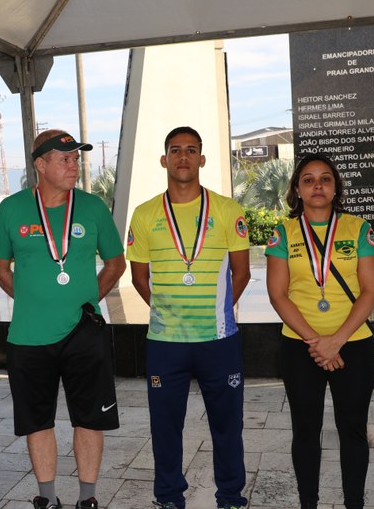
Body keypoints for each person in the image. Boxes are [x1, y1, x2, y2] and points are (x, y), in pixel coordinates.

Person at [0, 129, 125, 509]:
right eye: (65, 159)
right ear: (41, 164)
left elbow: (116, 264)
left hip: (84, 333)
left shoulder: (93, 207)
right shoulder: (12, 209)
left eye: (76, 159)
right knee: (37, 421)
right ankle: (47, 498)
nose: (74, 166)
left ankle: (88, 498)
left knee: (90, 419)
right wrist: (32, 300)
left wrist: (88, 302)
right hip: (29, 335)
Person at [127, 127, 251, 509]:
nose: (183, 156)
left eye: (191, 150)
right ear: (164, 159)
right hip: (165, 344)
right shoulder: (145, 214)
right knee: (165, 428)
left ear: (202, 159)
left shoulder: (228, 210)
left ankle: (230, 497)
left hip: (219, 341)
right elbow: (139, 277)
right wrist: (167, 314)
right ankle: (168, 497)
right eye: (176, 150)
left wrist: (217, 312)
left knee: (227, 426)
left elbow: (242, 273)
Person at [266, 154, 374, 509]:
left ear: (335, 187)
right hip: (301, 347)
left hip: (353, 345)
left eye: (325, 178)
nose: (317, 185)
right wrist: (317, 343)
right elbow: (278, 294)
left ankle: (354, 503)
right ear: (297, 190)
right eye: (309, 179)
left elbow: (370, 290)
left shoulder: (358, 228)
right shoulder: (283, 233)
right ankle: (308, 503)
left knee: (353, 429)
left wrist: (337, 341)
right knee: (305, 429)